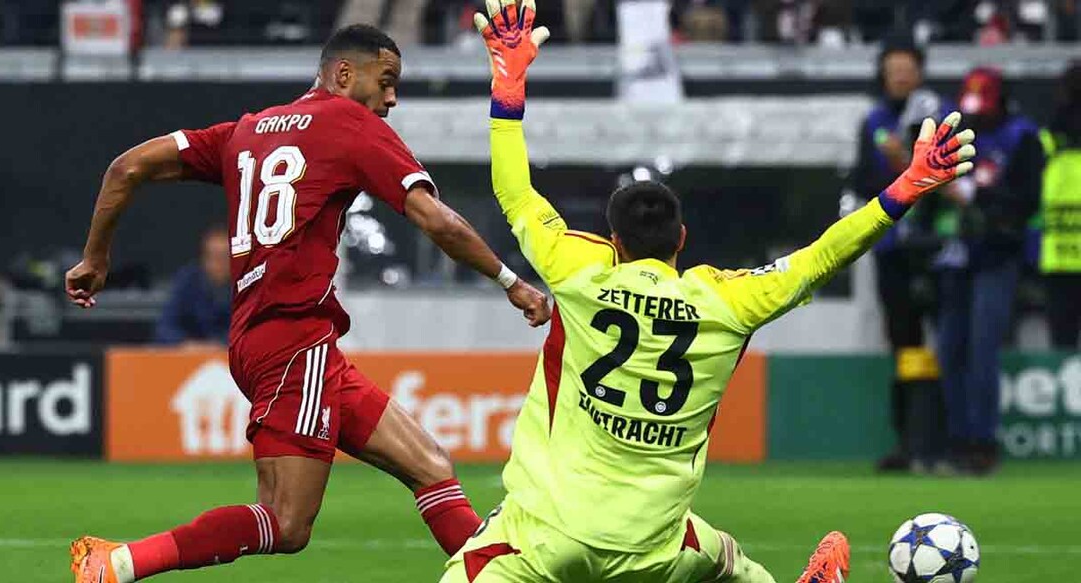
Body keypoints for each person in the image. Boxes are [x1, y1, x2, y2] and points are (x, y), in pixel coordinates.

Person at [440, 1, 975, 582]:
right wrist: (908, 186)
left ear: (613, 240)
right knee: (728, 561)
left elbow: (514, 191)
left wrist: (508, 81)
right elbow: (826, 255)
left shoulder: (579, 269)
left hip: (544, 537)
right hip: (656, 549)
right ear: (683, 239)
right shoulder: (726, 300)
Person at [65, 24, 551, 583]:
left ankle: (492, 579)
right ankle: (116, 564)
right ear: (344, 74)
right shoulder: (349, 123)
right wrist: (511, 280)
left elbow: (127, 167)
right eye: (386, 81)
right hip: (296, 340)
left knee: (431, 466)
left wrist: (95, 257)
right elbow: (431, 217)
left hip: (268, 338)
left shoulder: (245, 131)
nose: (392, 97)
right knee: (286, 522)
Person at [928, 67, 1044, 475]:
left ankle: (982, 444)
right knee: (949, 350)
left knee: (982, 350)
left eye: (984, 108)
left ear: (1002, 103)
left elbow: (1028, 200)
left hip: (998, 255)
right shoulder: (959, 134)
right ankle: (957, 441)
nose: (978, 116)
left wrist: (979, 195)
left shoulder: (1022, 137)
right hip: (956, 255)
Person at [851, 37, 948, 474]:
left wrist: (908, 161)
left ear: (919, 72)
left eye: (906, 68)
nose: (900, 76)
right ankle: (909, 441)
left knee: (947, 344)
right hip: (892, 248)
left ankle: (946, 441)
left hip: (940, 248)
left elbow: (950, 180)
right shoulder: (873, 120)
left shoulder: (938, 115)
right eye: (893, 69)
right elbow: (862, 178)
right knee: (904, 343)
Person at [1038, 60, 1081, 348]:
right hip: (1058, 260)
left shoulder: (1046, 139)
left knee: (1062, 345)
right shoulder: (1047, 140)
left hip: (1058, 259)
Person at [153, 224, 231, 347]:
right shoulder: (188, 280)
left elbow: (251, 331)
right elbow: (165, 327)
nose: (220, 263)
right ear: (204, 258)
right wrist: (185, 344)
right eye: (214, 257)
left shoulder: (247, 284)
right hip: (188, 356)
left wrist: (221, 344)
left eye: (225, 257)